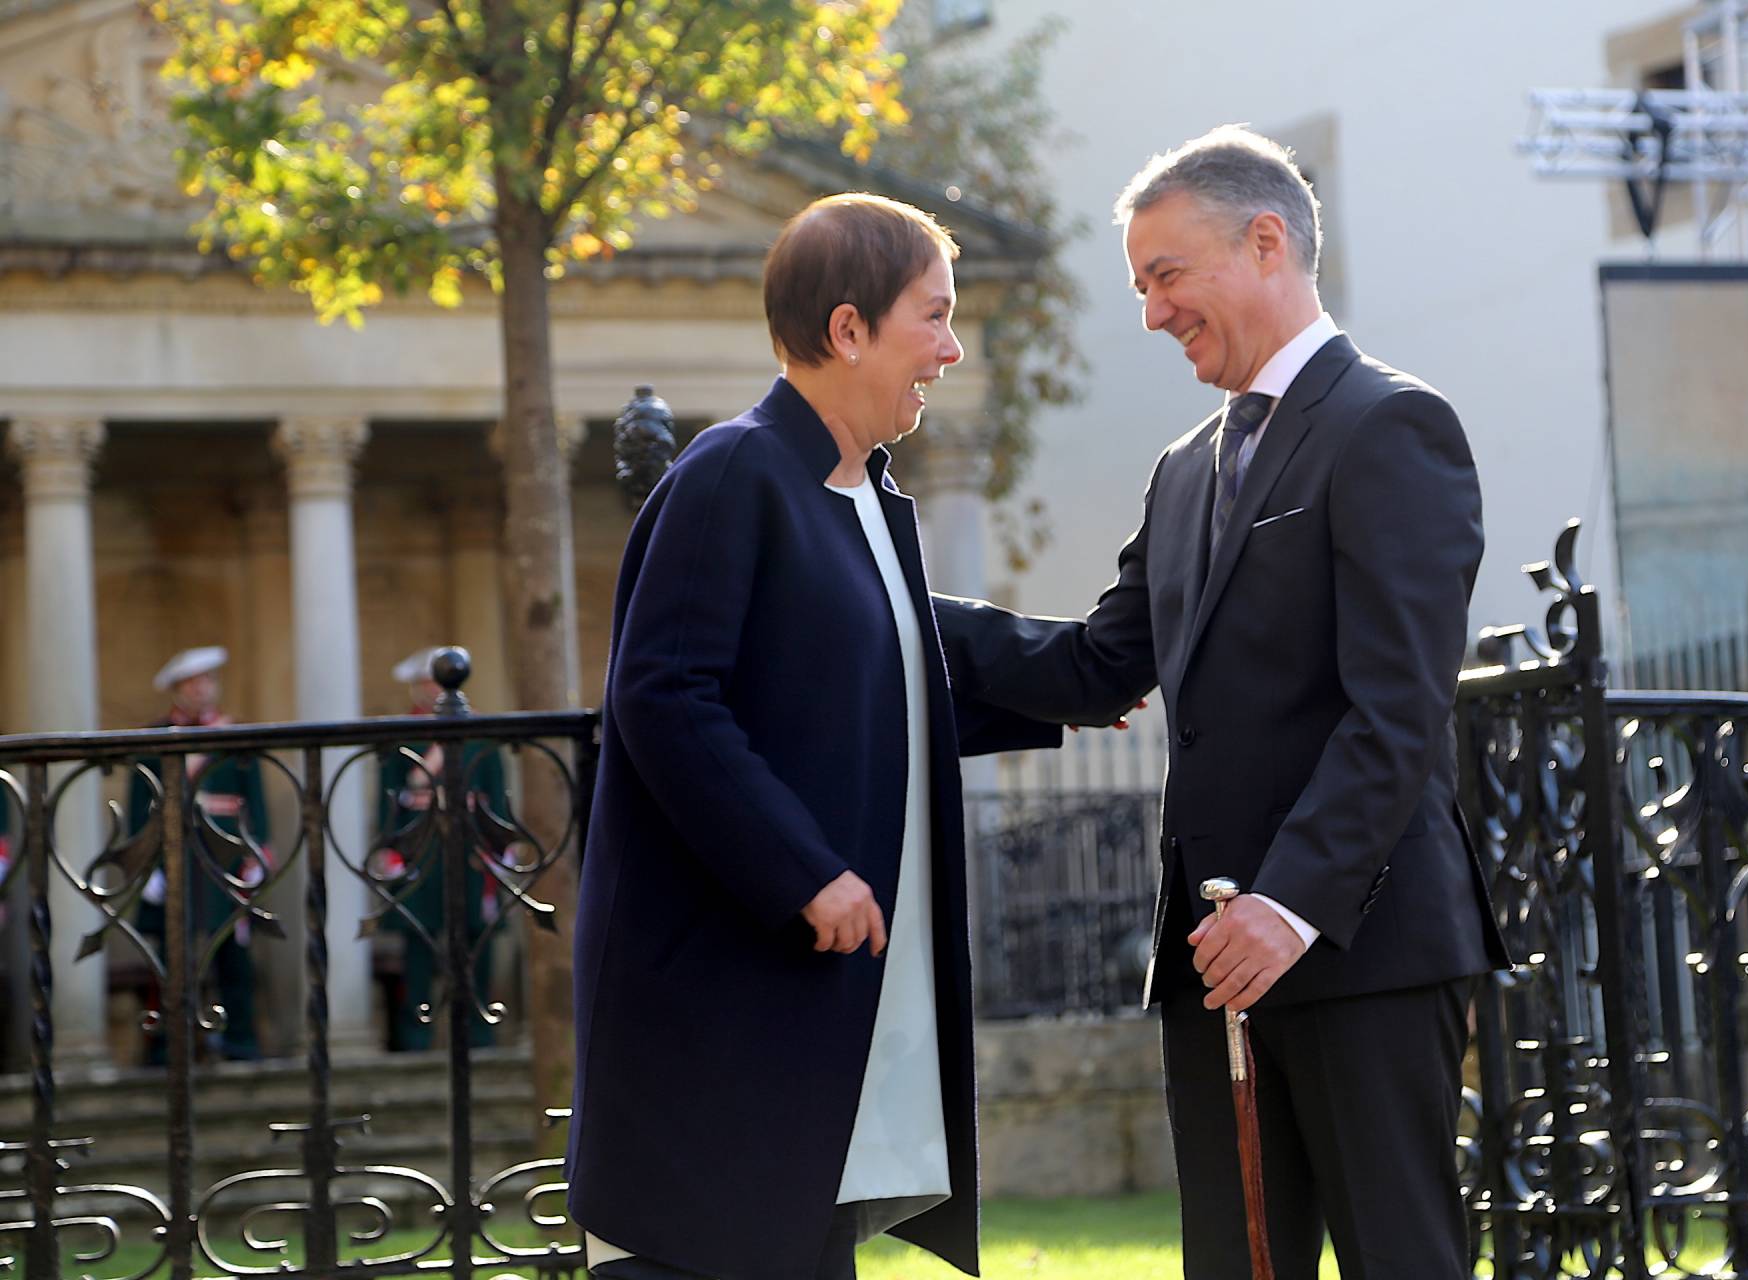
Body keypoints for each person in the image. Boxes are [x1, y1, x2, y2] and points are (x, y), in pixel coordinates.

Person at [935, 126, 1510, 1279]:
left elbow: (1397, 710)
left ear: (1264, 242)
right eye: (1141, 285)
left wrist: (1286, 904)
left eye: (1165, 277)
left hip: (1363, 949)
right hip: (1213, 967)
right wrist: (888, 599)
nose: (1152, 313)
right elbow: (1101, 665)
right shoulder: (1183, 466)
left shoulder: (1394, 426)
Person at [566, 192, 1059, 1280]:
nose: (950, 345)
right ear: (848, 329)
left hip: (790, 1036)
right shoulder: (732, 470)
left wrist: (1067, 685)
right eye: (931, 316)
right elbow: (663, 696)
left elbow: (868, 686)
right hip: (714, 1029)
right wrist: (807, 872)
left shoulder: (863, 494)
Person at [131, 645, 272, 1062]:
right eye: (192, 683)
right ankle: (165, 1047)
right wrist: (149, 866)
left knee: (234, 954)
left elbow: (255, 801)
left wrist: (256, 855)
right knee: (170, 957)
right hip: (174, 857)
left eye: (207, 681)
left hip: (226, 857)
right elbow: (142, 811)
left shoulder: (235, 735)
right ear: (176, 689)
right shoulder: (153, 739)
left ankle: (240, 1041)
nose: (202, 689)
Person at [374, 647, 507, 1052]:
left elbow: (495, 797)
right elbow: (389, 801)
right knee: (418, 944)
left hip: (470, 848)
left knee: (475, 941)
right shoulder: (401, 738)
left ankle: (479, 1032)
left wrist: (500, 849)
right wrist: (390, 848)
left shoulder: (477, 733)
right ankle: (417, 1033)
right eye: (428, 682)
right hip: (423, 846)